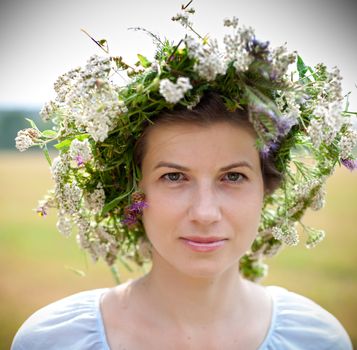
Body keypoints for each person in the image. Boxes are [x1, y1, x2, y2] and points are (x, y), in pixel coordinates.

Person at [12, 3, 355, 349]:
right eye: (174, 177)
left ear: (265, 190)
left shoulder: (317, 339)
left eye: (233, 177)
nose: (205, 214)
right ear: (133, 192)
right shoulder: (51, 340)